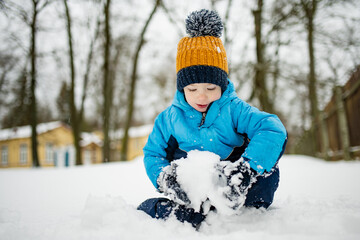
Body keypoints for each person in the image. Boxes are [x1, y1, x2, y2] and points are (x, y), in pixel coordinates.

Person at [137, 9, 287, 228]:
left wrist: (244, 171)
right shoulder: (169, 119)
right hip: (194, 191)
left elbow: (272, 129)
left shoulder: (234, 110)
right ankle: (178, 212)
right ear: (181, 88)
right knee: (181, 214)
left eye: (210, 87)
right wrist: (165, 178)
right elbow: (153, 153)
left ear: (222, 84)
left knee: (269, 167)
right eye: (192, 88)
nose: (201, 95)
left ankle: (247, 214)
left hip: (235, 186)